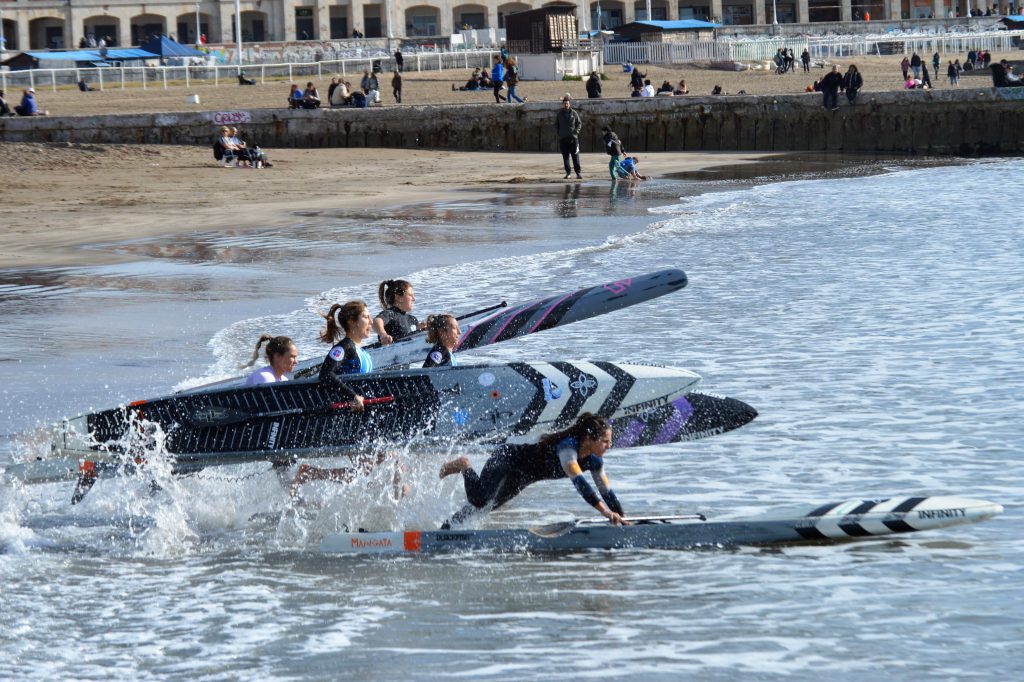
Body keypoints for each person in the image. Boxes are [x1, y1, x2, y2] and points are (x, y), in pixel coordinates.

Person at [438, 413, 628, 528]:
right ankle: (464, 465)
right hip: (508, 458)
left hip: (524, 477)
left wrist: (622, 517)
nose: (609, 446)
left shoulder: (595, 462)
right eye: (605, 441)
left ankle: (447, 529)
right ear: (588, 438)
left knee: (486, 507)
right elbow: (581, 485)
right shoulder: (567, 449)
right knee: (480, 498)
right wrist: (604, 512)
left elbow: (606, 491)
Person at [318, 300, 373, 409]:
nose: (371, 322)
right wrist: (352, 396)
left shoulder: (362, 351)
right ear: (352, 322)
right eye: (366, 317)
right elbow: (325, 374)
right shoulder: (344, 347)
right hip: (346, 409)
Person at [373, 279, 422, 344]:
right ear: (398, 298)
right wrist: (383, 335)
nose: (414, 299)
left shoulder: (413, 319)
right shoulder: (390, 314)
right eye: (410, 295)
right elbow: (376, 321)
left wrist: (422, 329)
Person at [555, 94, 582, 180]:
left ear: (569, 104)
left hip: (573, 139)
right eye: (564, 103)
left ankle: (578, 173)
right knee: (565, 157)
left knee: (575, 156)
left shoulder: (574, 113)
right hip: (563, 139)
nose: (566, 105)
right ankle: (568, 173)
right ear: (563, 104)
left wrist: (576, 132)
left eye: (567, 103)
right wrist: (559, 133)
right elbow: (556, 125)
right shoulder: (559, 114)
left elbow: (579, 124)